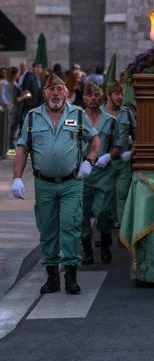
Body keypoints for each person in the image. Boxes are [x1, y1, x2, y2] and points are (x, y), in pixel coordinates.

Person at [11, 74, 100, 294]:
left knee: (70, 227)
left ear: (66, 92)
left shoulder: (78, 115)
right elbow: (22, 150)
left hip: (71, 183)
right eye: (51, 90)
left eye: (60, 89)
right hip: (44, 185)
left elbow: (95, 140)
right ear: (45, 94)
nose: (56, 94)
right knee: (48, 230)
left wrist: (89, 162)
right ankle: (52, 277)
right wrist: (16, 178)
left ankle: (70, 276)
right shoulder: (32, 118)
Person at [80, 83, 122, 265]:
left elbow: (119, 145)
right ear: (84, 99)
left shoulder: (111, 120)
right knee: (80, 212)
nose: (93, 98)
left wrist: (108, 156)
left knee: (104, 211)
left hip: (103, 171)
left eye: (97, 95)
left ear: (102, 98)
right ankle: (86, 247)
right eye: (89, 96)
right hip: (81, 172)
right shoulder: (76, 119)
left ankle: (105, 241)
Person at [102, 82, 136, 225]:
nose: (120, 97)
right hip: (103, 163)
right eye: (116, 94)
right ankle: (105, 230)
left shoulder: (127, 113)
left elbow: (138, 137)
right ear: (108, 95)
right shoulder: (99, 113)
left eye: (121, 94)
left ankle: (123, 229)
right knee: (104, 198)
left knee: (122, 194)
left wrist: (131, 152)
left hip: (122, 162)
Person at [7, 67, 25, 152]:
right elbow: (15, 99)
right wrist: (24, 97)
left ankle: (10, 145)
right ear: (14, 74)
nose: (19, 75)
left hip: (17, 109)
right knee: (12, 128)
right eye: (17, 73)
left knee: (14, 127)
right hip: (15, 109)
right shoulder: (12, 85)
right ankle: (10, 145)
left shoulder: (13, 83)